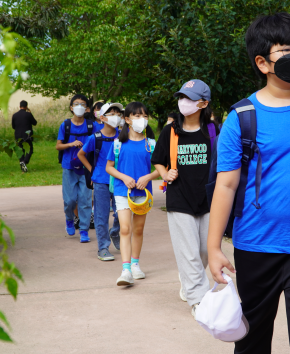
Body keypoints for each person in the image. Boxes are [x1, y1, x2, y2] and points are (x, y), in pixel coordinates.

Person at [208, 13, 290, 354]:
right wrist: (213, 248)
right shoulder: (241, 117)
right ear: (263, 62)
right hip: (256, 244)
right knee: (252, 335)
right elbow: (226, 186)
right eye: (287, 49)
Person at [152, 79, 218, 319]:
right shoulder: (170, 131)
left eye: (189, 99)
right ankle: (198, 300)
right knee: (188, 252)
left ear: (203, 103)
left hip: (209, 198)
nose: (183, 103)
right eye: (181, 97)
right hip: (179, 198)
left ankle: (188, 279)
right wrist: (164, 173)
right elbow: (158, 160)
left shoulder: (213, 130)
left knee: (204, 252)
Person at [106, 102, 160, 286]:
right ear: (127, 119)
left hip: (143, 194)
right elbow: (109, 168)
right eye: (137, 116)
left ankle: (136, 265)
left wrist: (148, 177)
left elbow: (161, 169)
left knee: (138, 229)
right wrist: (124, 177)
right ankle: (126, 269)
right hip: (122, 192)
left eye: (145, 116)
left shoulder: (151, 144)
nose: (142, 120)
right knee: (125, 229)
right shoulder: (118, 144)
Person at [78, 103, 123, 261]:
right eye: (112, 113)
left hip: (120, 181)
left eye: (118, 113)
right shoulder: (95, 137)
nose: (116, 116)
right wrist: (92, 170)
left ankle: (115, 232)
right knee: (101, 215)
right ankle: (103, 248)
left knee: (121, 214)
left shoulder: (123, 136)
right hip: (101, 181)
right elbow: (81, 154)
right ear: (102, 117)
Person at [56, 94, 97, 242]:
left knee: (85, 200)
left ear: (87, 109)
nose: (79, 106)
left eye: (83, 104)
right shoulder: (65, 125)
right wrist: (71, 144)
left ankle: (84, 230)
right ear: (71, 108)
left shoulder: (91, 125)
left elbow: (102, 137)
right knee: (70, 200)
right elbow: (58, 145)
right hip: (69, 167)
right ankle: (69, 219)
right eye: (76, 104)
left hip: (86, 167)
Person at [11, 100, 37, 173]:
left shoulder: (14, 115)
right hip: (27, 135)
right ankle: (24, 162)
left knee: (20, 151)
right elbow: (34, 123)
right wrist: (30, 113)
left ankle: (22, 165)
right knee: (29, 150)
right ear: (26, 107)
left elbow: (13, 126)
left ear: (19, 106)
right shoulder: (28, 114)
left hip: (18, 136)